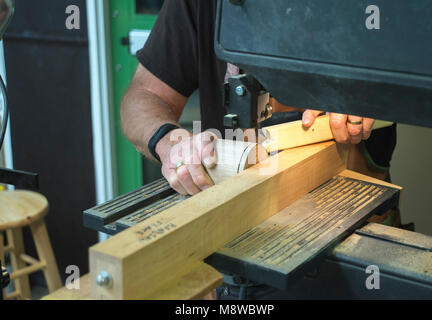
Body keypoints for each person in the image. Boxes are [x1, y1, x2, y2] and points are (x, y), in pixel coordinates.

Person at [121, 0, 400, 300]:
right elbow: (143, 96)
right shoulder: (201, 5)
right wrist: (170, 142)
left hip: (354, 250)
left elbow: (419, 69)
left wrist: (373, 96)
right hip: (231, 245)